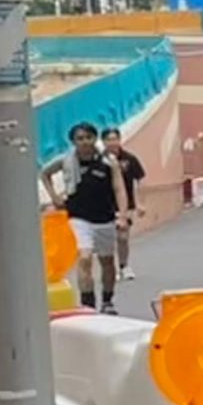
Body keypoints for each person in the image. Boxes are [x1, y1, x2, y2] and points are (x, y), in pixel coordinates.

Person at [52, 122, 123, 313]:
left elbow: (119, 188)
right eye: (80, 139)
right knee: (84, 258)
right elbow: (45, 174)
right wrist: (55, 197)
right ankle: (88, 304)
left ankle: (107, 301)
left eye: (88, 137)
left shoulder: (108, 162)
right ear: (73, 142)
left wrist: (122, 215)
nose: (84, 142)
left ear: (95, 138)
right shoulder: (67, 161)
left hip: (105, 217)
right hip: (79, 217)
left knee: (107, 262)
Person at [103, 126, 147, 275]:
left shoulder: (129, 159)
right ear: (103, 142)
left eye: (115, 139)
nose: (112, 142)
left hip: (126, 204)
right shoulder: (99, 160)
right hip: (105, 205)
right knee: (108, 238)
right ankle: (111, 268)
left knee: (122, 236)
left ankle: (124, 266)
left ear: (119, 140)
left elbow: (140, 179)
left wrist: (140, 203)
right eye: (109, 139)